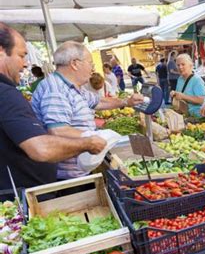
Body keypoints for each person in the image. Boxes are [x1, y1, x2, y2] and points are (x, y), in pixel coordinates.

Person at [0, 23, 106, 190]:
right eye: (21, 56)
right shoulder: (6, 94)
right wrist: (88, 143)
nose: (26, 64)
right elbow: (41, 148)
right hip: (27, 195)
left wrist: (126, 102)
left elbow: (97, 101)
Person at [32, 41, 144, 181]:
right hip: (67, 179)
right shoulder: (56, 90)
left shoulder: (73, 87)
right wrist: (95, 137)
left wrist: (127, 102)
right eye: (90, 63)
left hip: (78, 170)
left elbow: (98, 101)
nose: (93, 68)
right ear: (74, 63)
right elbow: (58, 131)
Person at [170, 54, 205, 118]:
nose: (180, 67)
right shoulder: (180, 79)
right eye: (178, 65)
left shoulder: (197, 80)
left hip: (198, 116)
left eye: (183, 64)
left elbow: (201, 100)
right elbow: (179, 95)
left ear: (190, 65)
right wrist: (174, 94)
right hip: (185, 114)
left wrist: (183, 96)